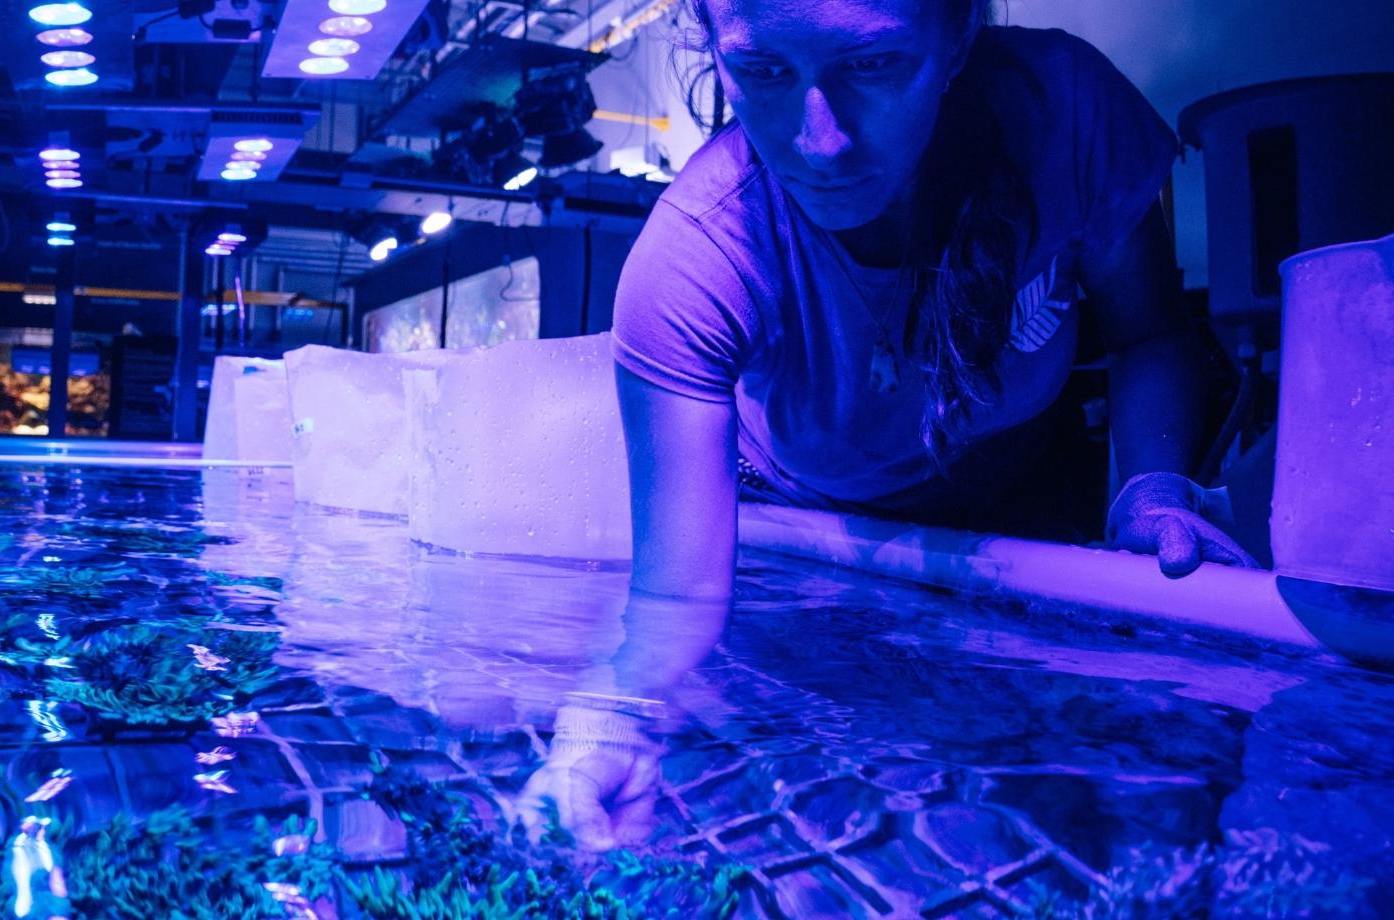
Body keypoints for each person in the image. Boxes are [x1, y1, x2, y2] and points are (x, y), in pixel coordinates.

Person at [518, 0, 1256, 850]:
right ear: (716, 53)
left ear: (958, 37)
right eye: (763, 72)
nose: (821, 140)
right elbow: (677, 593)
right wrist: (611, 717)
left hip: (1017, 496)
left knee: (1074, 813)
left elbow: (1150, 333)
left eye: (872, 66)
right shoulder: (693, 262)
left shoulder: (1067, 115)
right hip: (802, 531)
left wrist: (1153, 488)